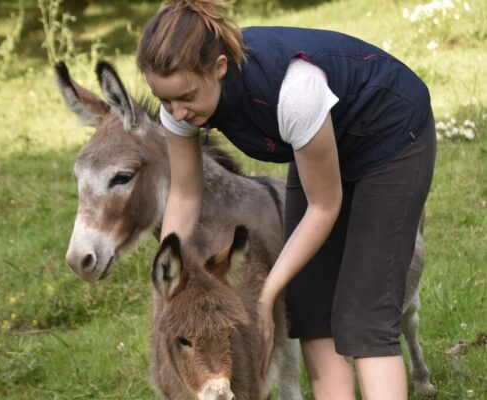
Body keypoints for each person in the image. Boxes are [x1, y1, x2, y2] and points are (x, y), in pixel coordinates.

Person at [136, 1, 436, 399]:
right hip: (320, 144)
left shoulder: (293, 90)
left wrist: (267, 294)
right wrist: (168, 287)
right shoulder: (181, 104)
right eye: (166, 100)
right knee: (311, 311)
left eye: (185, 97)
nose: (176, 112)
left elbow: (324, 205)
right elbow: (185, 194)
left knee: (366, 316)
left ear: (219, 68)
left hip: (391, 137)